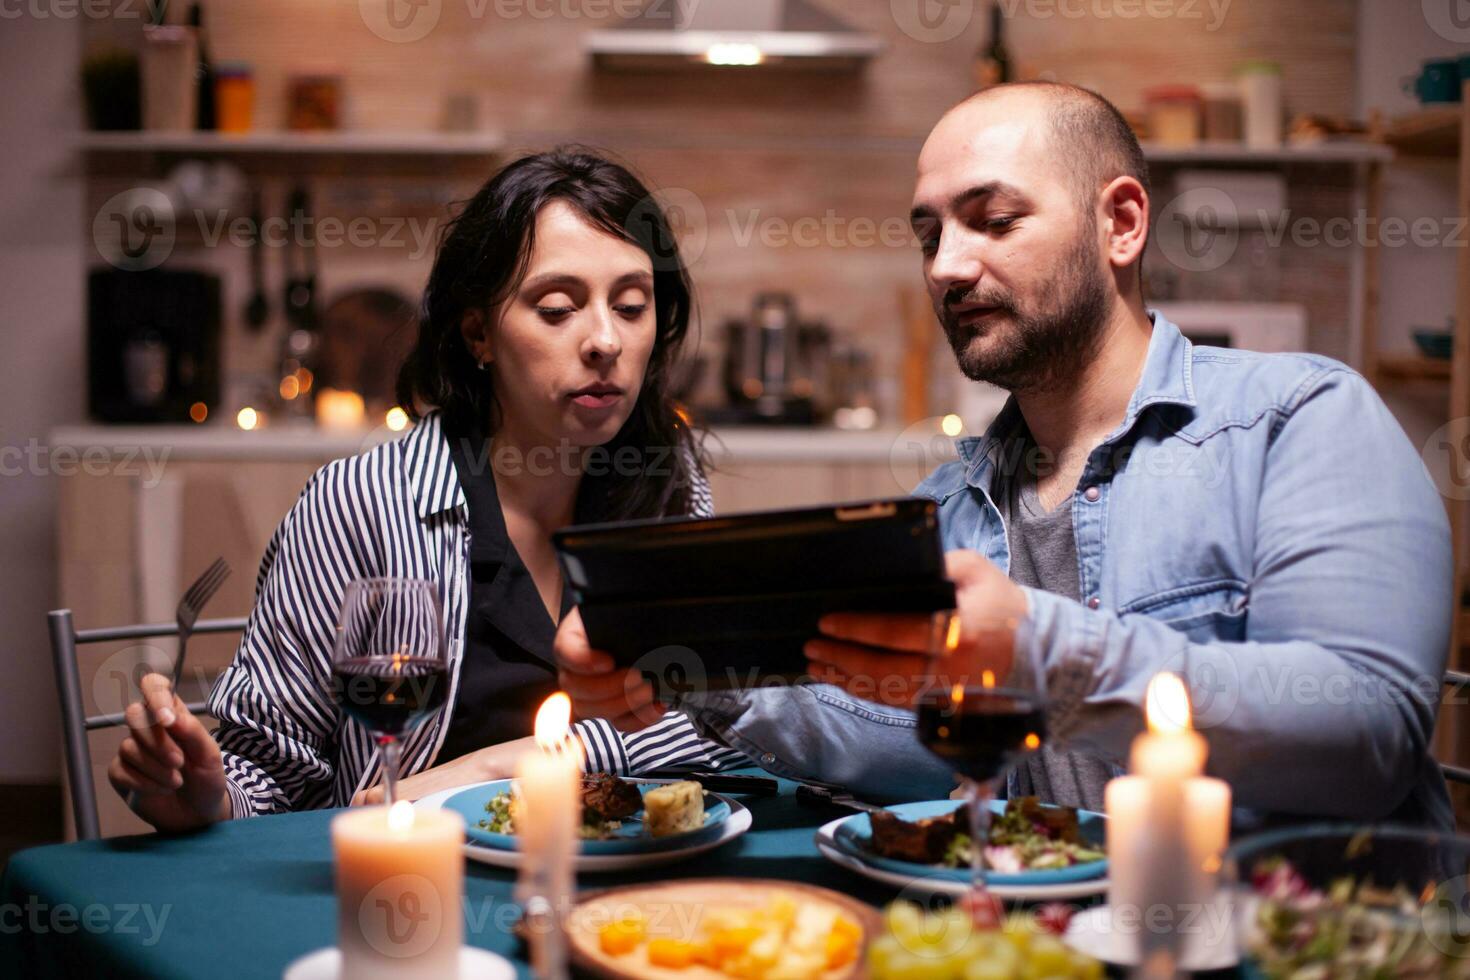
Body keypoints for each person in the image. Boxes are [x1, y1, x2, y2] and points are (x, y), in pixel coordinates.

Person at [556, 83, 1456, 829]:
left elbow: (1363, 739)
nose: (946, 265)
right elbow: (906, 744)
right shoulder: (951, 504)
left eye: (992, 219)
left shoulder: (1297, 418)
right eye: (929, 235)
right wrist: (688, 669)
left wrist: (1038, 652)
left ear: (1123, 224)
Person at [107, 150, 748, 833]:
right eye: (558, 308)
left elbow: (707, 728)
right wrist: (206, 797)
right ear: (479, 334)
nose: (604, 340)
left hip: (625, 886)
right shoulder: (362, 501)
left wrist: (501, 765)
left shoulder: (666, 480)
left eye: (631, 306)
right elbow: (271, 766)